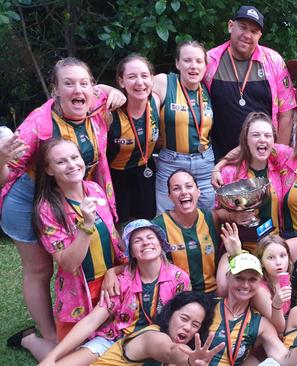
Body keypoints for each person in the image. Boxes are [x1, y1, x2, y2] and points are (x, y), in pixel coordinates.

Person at [2, 57, 124, 360]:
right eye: (68, 83)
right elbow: (6, 175)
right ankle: (45, 335)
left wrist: (114, 92)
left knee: (88, 253)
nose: (77, 89)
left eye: (84, 82)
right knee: (41, 268)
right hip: (27, 195)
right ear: (54, 90)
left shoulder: (95, 100)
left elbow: (114, 93)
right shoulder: (37, 125)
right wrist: (1, 158)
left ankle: (79, 324)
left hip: (72, 188)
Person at [38, 219, 190, 365]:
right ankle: (30, 340)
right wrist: (52, 358)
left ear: (161, 244)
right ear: (132, 253)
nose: (146, 242)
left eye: (151, 237)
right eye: (137, 241)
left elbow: (183, 321)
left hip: (156, 344)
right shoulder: (120, 282)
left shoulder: (179, 279)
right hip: (113, 339)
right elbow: (91, 322)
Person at [32, 139, 126, 341]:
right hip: (80, 294)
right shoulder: (47, 209)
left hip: (112, 284)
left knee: (110, 348)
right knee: (72, 357)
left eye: (75, 157)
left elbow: (114, 238)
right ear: (49, 170)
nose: (72, 165)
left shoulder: (95, 189)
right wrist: (86, 224)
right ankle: (30, 340)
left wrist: (118, 271)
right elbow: (68, 263)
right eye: (61, 162)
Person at [207, 252, 297, 365]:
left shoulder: (260, 324)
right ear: (228, 277)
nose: (246, 285)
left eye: (252, 279)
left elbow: (285, 359)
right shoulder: (207, 306)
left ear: (260, 282)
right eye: (239, 278)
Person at [204, 5, 297, 153]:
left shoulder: (274, 61)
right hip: (219, 157)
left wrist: (278, 155)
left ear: (260, 35)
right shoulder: (209, 60)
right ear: (230, 26)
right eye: (243, 27)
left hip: (262, 159)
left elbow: (286, 112)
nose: (247, 35)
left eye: (254, 31)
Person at [152, 40, 215, 213]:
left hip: (204, 164)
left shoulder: (209, 89)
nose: (193, 66)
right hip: (171, 162)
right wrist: (109, 91)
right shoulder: (164, 82)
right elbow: (136, 89)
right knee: (168, 218)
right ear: (177, 63)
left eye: (198, 61)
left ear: (205, 66)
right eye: (187, 60)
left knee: (207, 217)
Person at [212, 112, 289, 252]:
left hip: (274, 246)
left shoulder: (280, 168)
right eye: (255, 135)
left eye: (267, 135)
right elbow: (216, 214)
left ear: (273, 141)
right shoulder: (229, 173)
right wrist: (233, 216)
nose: (262, 140)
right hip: (241, 246)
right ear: (246, 139)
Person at [92, 291, 222, 366]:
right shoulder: (152, 337)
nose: (188, 328)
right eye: (184, 318)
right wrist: (190, 360)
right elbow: (171, 351)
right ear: (170, 314)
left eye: (195, 325)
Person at [107, 54, 160, 222]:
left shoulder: (156, 102)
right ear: (121, 81)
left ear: (152, 79)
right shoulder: (110, 110)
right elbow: (92, 90)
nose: (139, 82)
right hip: (116, 176)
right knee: (119, 225)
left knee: (146, 223)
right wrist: (110, 90)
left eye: (144, 76)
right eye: (131, 77)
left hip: (146, 171)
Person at [152, 169, 221, 294]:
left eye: (189, 186)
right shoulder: (158, 226)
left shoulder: (211, 217)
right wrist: (112, 273)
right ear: (170, 196)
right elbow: (138, 259)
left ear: (198, 191)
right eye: (176, 188)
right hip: (179, 297)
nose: (184, 192)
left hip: (213, 293)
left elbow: (235, 215)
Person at [216, 226, 292, 334]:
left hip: (283, 326)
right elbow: (279, 327)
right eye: (271, 257)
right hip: (264, 333)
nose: (278, 262)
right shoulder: (260, 290)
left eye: (283, 255)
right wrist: (235, 254)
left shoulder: (284, 279)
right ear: (261, 262)